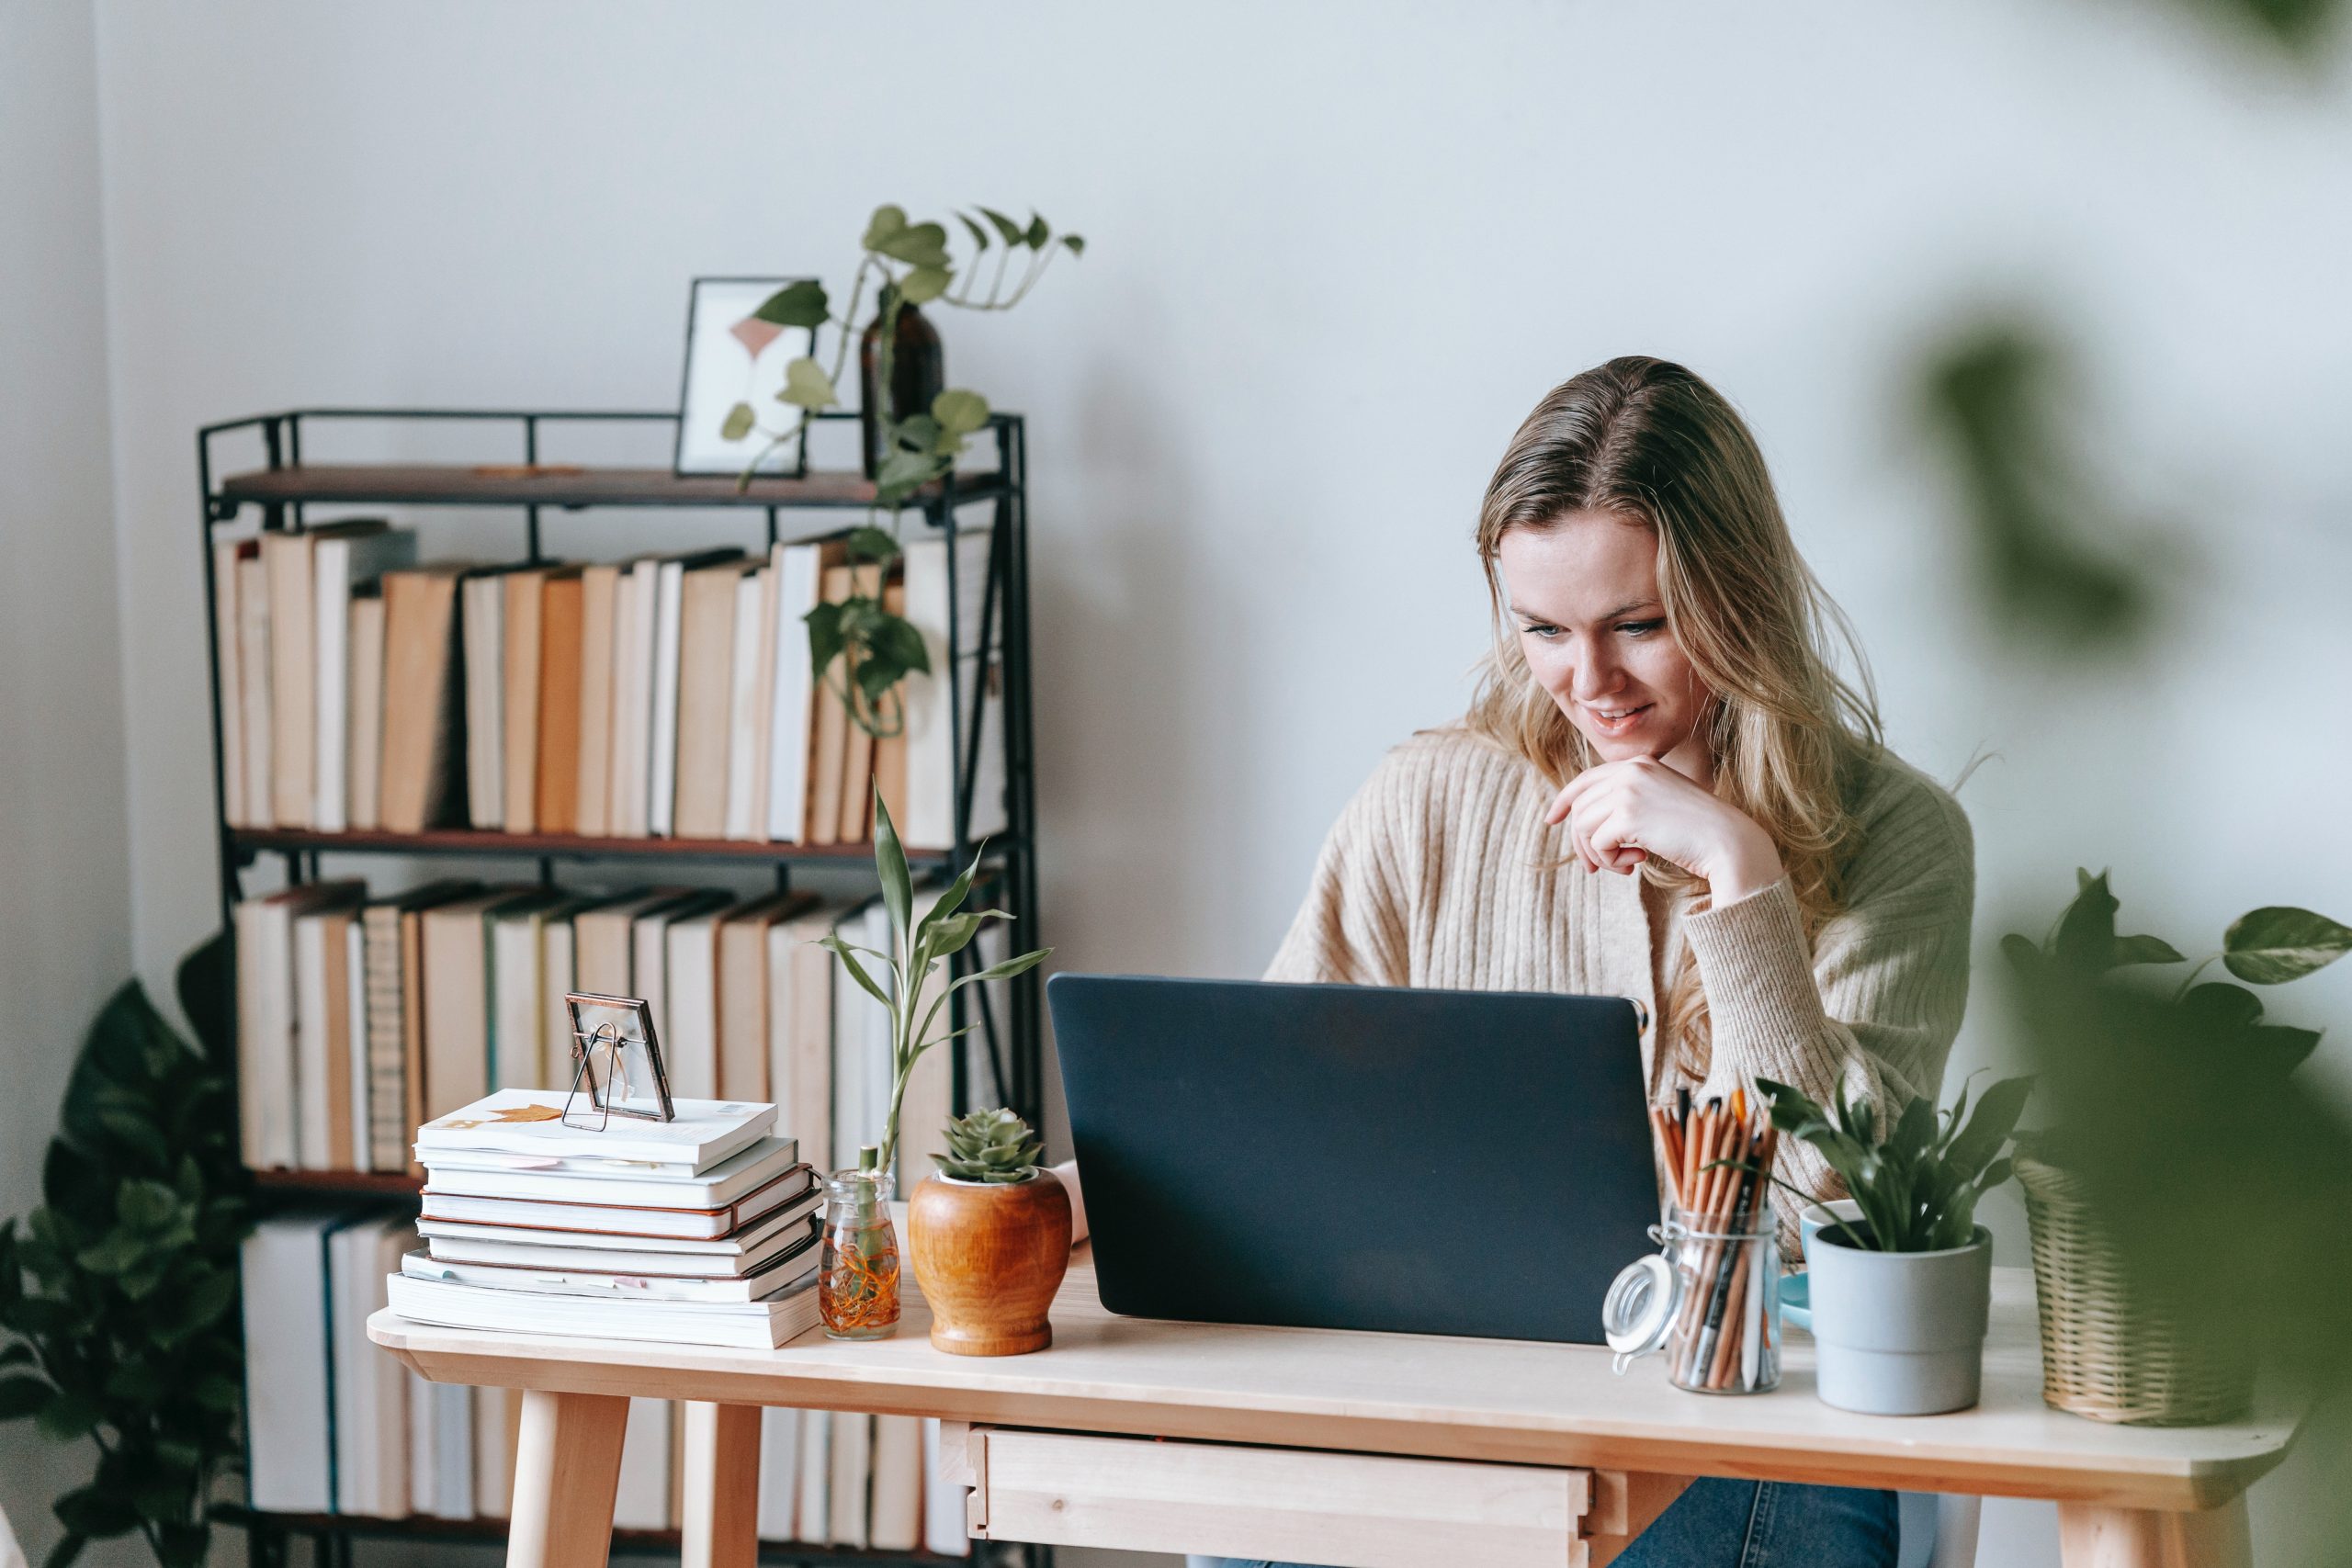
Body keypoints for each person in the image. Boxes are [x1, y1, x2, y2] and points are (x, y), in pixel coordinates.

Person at [1202, 357, 1973, 1568]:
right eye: (1544, 632)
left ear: (1740, 599)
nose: (1591, 685)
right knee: (1240, 1517)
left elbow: (1842, 1194)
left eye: (1640, 627)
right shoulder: (1429, 800)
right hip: (1468, 1398)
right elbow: (1271, 1106)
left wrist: (1745, 877)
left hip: (1752, 1431)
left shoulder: (1899, 838)